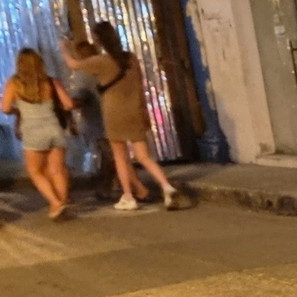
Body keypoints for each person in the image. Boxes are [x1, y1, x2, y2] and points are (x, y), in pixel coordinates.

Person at [62, 22, 180, 211]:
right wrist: (145, 113)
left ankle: (128, 196)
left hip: (114, 113)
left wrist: (65, 48)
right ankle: (166, 186)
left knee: (120, 156)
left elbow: (73, 64)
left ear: (99, 40)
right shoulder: (131, 59)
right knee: (143, 156)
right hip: (134, 111)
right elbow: (141, 88)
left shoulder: (101, 61)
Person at [1, 48, 74, 220]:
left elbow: (4, 108)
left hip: (33, 132)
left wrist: (18, 111)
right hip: (55, 129)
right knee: (57, 170)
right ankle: (61, 204)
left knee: (34, 171)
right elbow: (68, 104)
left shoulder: (14, 83)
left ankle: (55, 202)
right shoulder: (50, 81)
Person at [68, 40, 130, 202]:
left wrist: (66, 106)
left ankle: (108, 187)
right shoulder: (109, 66)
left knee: (109, 156)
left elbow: (78, 99)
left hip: (98, 122)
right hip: (114, 116)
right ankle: (121, 186)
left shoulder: (83, 73)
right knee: (115, 155)